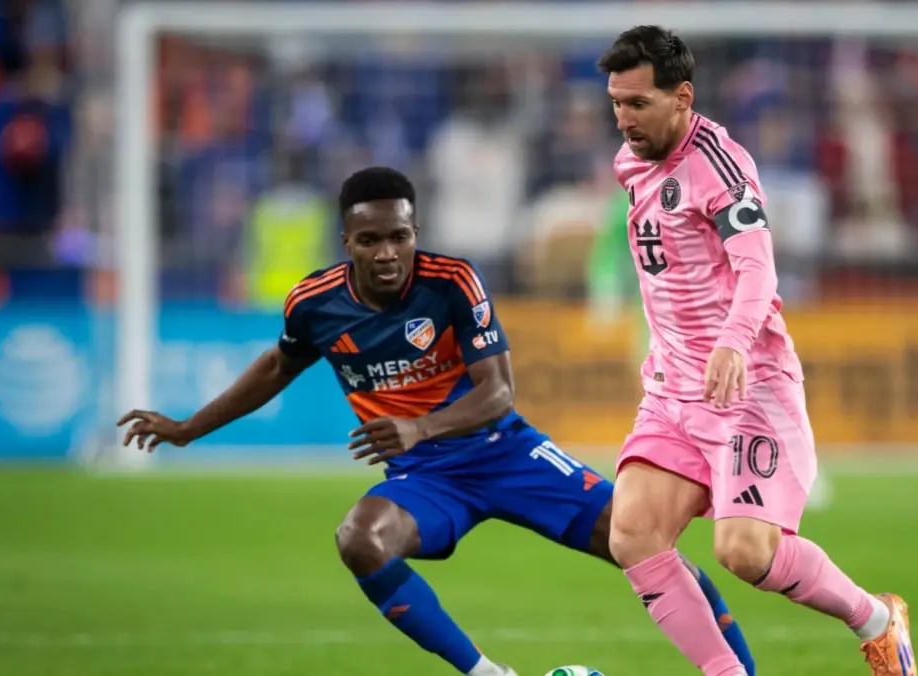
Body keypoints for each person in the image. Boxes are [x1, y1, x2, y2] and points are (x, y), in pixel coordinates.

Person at [117, 166, 756, 676]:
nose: (389, 252)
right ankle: (485, 673)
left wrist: (418, 427)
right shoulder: (314, 304)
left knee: (644, 547)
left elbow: (498, 394)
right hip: (427, 479)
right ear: (348, 244)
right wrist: (187, 428)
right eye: (371, 240)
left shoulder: (451, 281)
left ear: (414, 230)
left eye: (400, 235)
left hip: (506, 453)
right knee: (359, 538)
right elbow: (276, 368)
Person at [597, 26, 918, 676]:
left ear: (682, 96)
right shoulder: (630, 163)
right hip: (673, 392)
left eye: (638, 104)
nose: (624, 119)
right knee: (631, 533)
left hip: (747, 389)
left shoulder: (720, 163)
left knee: (744, 551)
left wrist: (732, 343)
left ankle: (878, 621)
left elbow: (757, 270)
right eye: (616, 103)